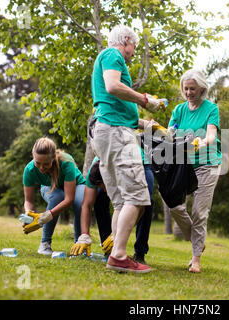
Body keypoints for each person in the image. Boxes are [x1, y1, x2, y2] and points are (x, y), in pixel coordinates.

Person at [90, 25, 164, 273]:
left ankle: (115, 253)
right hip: (115, 134)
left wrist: (146, 124)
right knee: (138, 197)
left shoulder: (107, 58)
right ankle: (120, 256)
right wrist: (145, 100)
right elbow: (113, 87)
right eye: (134, 47)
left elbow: (115, 105)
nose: (133, 52)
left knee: (121, 202)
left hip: (110, 131)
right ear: (125, 41)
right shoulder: (113, 55)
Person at [167, 69, 221, 273]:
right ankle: (198, 239)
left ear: (201, 89)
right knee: (174, 205)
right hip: (184, 165)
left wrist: (203, 142)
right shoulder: (179, 110)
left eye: (192, 89)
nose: (188, 92)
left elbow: (212, 135)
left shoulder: (211, 109)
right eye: (186, 88)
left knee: (199, 212)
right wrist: (168, 134)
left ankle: (196, 258)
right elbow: (170, 130)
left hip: (208, 164)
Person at [70, 155, 155, 265]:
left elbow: (140, 207)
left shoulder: (127, 172)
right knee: (99, 197)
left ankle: (139, 252)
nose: (106, 190)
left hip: (140, 162)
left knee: (146, 201)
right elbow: (86, 205)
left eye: (105, 186)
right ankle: (109, 249)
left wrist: (118, 234)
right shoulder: (94, 171)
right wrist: (84, 235)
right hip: (114, 163)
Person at [22, 137, 86, 255]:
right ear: (33, 158)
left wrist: (47, 215)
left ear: (53, 158)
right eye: (38, 163)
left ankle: (79, 245)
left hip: (77, 185)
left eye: (46, 164)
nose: (41, 168)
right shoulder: (29, 170)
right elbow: (28, 201)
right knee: (57, 196)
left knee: (79, 203)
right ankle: (45, 244)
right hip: (49, 187)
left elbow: (69, 199)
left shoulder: (66, 162)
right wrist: (28, 214)